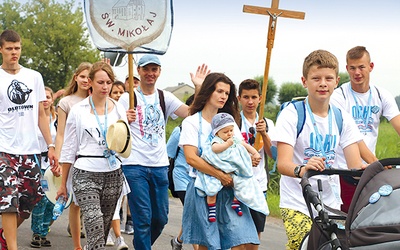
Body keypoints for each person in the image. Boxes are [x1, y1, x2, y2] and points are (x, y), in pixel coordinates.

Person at [271, 49, 366, 250]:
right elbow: (283, 163)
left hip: (330, 203)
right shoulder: (292, 114)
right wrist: (302, 169)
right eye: (316, 78)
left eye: (328, 78)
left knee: (334, 246)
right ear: (304, 81)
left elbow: (355, 165)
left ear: (337, 81)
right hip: (297, 202)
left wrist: (376, 172)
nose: (323, 83)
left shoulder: (342, 117)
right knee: (304, 243)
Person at [118, 55, 204, 250]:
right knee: (143, 219)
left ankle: (142, 245)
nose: (150, 73)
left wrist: (198, 87)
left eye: (154, 69)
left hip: (159, 165)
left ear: (159, 72)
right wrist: (124, 117)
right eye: (146, 69)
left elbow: (191, 113)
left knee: (160, 219)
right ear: (138, 71)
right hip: (134, 165)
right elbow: (112, 127)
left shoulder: (165, 97)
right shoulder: (127, 98)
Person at [56, 61, 133, 249]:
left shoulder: (118, 108)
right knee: (94, 220)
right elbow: (69, 148)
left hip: (112, 173)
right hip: (85, 172)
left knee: (102, 230)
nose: (105, 87)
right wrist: (63, 184)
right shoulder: (78, 110)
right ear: (90, 82)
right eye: (100, 82)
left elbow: (125, 143)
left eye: (108, 82)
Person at [179, 72, 260, 249]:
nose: (223, 96)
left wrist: (249, 158)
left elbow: (239, 148)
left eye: (226, 93)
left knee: (240, 241)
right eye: (219, 91)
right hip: (203, 188)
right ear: (208, 91)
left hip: (230, 189)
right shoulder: (192, 123)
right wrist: (219, 175)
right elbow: (191, 158)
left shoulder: (229, 123)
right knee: (208, 245)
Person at [0, 29, 58, 250]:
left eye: (17, 48)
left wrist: (50, 146)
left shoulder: (34, 76)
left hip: (29, 150)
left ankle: (5, 234)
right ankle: (12, 247)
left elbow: (40, 115)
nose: (14, 53)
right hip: (4, 149)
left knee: (31, 199)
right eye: (9, 49)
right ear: (1, 50)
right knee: (8, 200)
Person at [330, 46, 400, 212]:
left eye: (361, 67)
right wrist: (376, 164)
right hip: (342, 171)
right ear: (347, 69)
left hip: (368, 172)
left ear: (371, 66)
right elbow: (351, 138)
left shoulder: (381, 95)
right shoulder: (339, 96)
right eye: (352, 68)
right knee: (344, 222)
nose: (357, 73)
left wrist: (373, 165)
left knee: (366, 221)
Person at [195, 112, 268, 223]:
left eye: (231, 130)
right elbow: (215, 149)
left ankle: (236, 201)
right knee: (212, 188)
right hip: (219, 169)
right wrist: (227, 144)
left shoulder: (234, 139)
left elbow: (245, 145)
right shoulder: (216, 140)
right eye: (225, 132)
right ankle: (212, 208)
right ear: (217, 132)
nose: (229, 134)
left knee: (241, 184)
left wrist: (255, 153)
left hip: (232, 170)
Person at [54, 62, 92, 250]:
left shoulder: (98, 100)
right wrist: (60, 159)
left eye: (89, 77)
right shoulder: (66, 102)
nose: (86, 80)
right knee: (75, 202)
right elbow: (61, 133)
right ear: (76, 77)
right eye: (82, 76)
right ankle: (77, 244)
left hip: (92, 156)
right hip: (73, 156)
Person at [237, 79, 275, 250]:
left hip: (259, 187)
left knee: (253, 238)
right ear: (239, 99)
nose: (250, 102)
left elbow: (272, 154)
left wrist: (264, 134)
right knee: (237, 236)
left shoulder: (267, 123)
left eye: (253, 97)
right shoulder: (233, 123)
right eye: (246, 97)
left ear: (260, 98)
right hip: (238, 185)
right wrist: (247, 158)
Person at [166, 95, 199, 250]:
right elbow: (169, 155)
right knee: (194, 213)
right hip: (181, 178)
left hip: (199, 179)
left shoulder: (204, 130)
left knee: (193, 214)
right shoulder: (179, 131)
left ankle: (178, 240)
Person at [30, 86, 59, 248]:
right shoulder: (34, 118)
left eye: (48, 97)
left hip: (53, 165)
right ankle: (36, 232)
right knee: (40, 199)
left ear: (52, 99)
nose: (46, 100)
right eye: (43, 97)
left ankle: (44, 231)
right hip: (38, 162)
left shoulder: (57, 118)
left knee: (52, 201)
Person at [105, 80, 130, 249]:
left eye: (122, 92)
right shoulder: (103, 112)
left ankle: (117, 236)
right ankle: (109, 234)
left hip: (118, 163)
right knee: (104, 204)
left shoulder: (123, 112)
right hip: (98, 164)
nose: (119, 95)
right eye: (115, 92)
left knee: (116, 201)